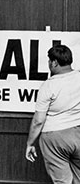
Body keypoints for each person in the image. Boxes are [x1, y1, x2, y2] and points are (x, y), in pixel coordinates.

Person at [25, 45, 80, 184]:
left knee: (62, 181)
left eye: (49, 61)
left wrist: (30, 143)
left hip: (55, 138)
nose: (49, 64)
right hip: (78, 133)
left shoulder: (48, 86)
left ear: (54, 62)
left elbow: (38, 121)